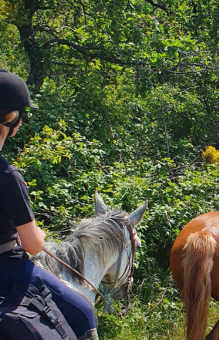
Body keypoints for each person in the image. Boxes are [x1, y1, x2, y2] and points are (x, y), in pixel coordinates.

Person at [0, 69, 99, 339]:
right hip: (7, 271)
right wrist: (39, 235)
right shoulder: (8, 176)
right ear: (12, 119)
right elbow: (32, 245)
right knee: (84, 313)